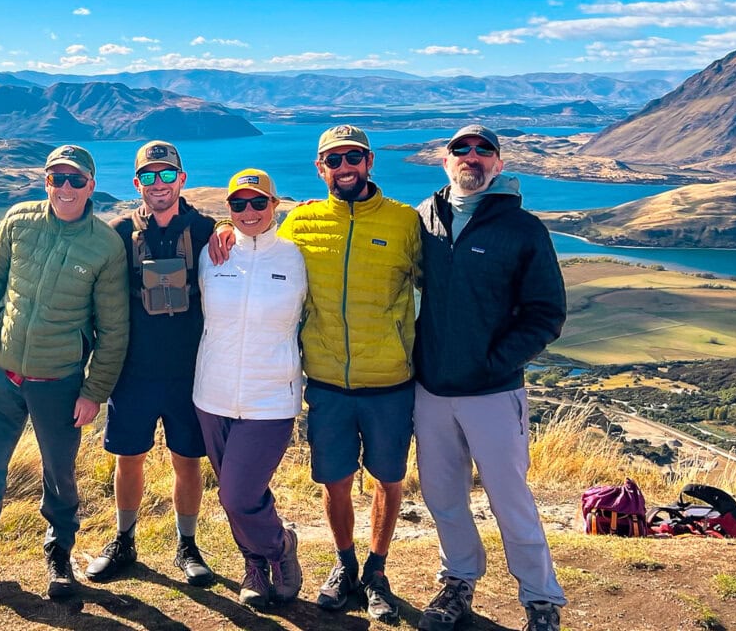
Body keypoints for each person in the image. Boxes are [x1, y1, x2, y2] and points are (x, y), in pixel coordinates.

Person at [0, 144, 129, 600]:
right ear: (46, 182)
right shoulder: (19, 220)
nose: (65, 188)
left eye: (75, 180)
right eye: (56, 178)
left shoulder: (104, 245)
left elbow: (114, 329)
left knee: (59, 474)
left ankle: (59, 553)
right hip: (3, 372)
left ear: (91, 185)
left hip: (59, 382)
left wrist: (93, 391)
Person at [413, 124, 568, 631]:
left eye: (484, 151)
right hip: (431, 389)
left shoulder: (523, 229)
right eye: (462, 149)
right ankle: (458, 581)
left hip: (493, 392)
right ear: (445, 160)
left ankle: (541, 599)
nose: (472, 157)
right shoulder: (422, 220)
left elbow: (546, 313)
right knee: (442, 498)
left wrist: (495, 361)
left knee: (510, 499)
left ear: (499, 164)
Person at [277, 124, 420, 619]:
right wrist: (226, 237)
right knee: (334, 479)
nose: (344, 168)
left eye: (353, 158)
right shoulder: (300, 222)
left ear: (369, 161)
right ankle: (345, 564)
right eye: (334, 161)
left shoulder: (404, 222)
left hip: (390, 381)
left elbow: (444, 284)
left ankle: (376, 571)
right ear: (321, 169)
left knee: (388, 478)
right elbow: (266, 263)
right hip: (326, 382)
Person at [86, 140, 217, 587]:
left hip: (188, 372)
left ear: (182, 179)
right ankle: (124, 539)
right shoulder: (119, 232)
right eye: (149, 176)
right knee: (129, 458)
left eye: (167, 175)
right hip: (134, 372)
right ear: (137, 182)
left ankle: (187, 545)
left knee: (187, 461)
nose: (158, 184)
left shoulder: (207, 230)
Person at [194, 168, 307, 608]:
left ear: (275, 206)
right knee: (235, 496)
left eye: (258, 202)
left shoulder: (297, 258)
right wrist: (219, 230)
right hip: (212, 394)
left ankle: (280, 548)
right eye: (238, 205)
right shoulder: (211, 254)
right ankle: (255, 567)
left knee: (238, 494)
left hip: (271, 398)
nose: (249, 211)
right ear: (229, 211)